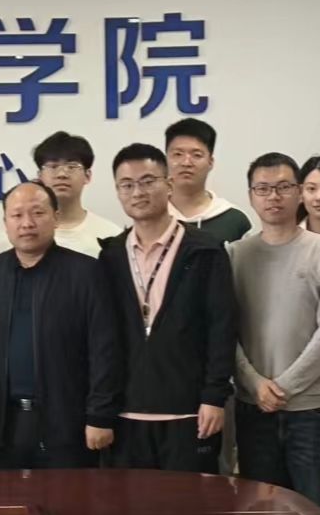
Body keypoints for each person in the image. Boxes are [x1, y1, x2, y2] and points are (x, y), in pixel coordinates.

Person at [102, 143, 237, 472]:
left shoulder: (205, 250)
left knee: (189, 503)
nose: (138, 192)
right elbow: (102, 338)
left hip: (190, 413)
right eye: (127, 184)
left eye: (148, 181)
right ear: (118, 192)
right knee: (128, 503)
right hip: (126, 414)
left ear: (169, 184)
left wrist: (213, 396)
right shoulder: (111, 255)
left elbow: (222, 327)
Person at [228, 153, 320, 512]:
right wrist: (254, 384)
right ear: (251, 196)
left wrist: (284, 386)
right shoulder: (236, 254)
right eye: (263, 189)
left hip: (310, 411)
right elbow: (226, 331)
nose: (273, 196)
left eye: (283, 187)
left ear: (298, 192)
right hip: (254, 408)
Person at [0, 181, 121, 469]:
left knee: (69, 496)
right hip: (2, 424)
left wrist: (100, 415)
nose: (27, 223)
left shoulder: (86, 273)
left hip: (67, 422)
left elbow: (105, 350)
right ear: (5, 222)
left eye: (38, 213)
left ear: (55, 217)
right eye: (17, 215)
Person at [32, 130, 124, 256]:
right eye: (53, 166)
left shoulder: (110, 236)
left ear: (87, 176)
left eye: (71, 167)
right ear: (40, 176)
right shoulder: (23, 233)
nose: (62, 174)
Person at [165, 117, 251, 243]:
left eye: (197, 155)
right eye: (178, 154)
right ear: (165, 160)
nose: (186, 162)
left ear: (210, 162)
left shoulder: (234, 220)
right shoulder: (149, 216)